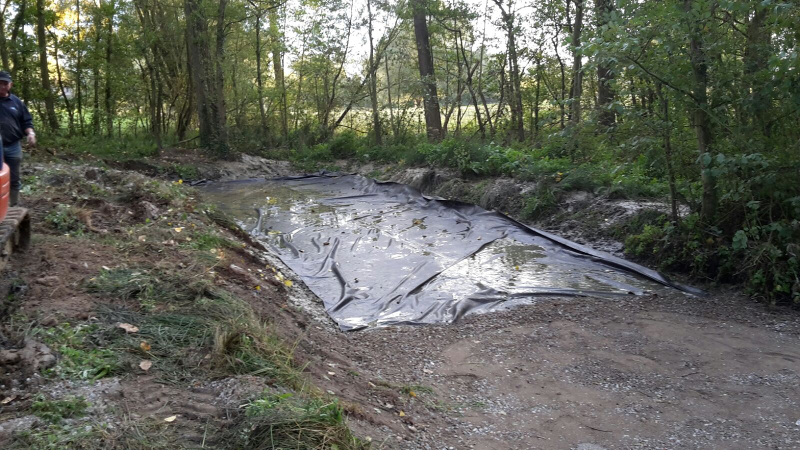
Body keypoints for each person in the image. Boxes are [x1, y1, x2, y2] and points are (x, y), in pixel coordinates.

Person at [0, 70, 35, 206]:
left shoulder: (17, 102)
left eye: (5, 84)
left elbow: (26, 121)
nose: (2, 86)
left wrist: (31, 134)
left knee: (14, 177)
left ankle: (13, 205)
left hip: (13, 146)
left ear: (10, 85)